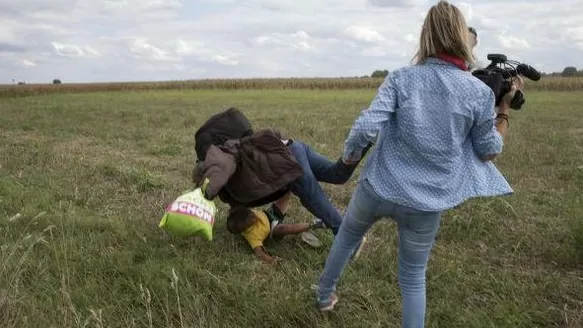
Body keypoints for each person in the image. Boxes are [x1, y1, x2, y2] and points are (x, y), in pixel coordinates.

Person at [313, 1, 523, 327]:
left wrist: (349, 159)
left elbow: (367, 128)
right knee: (412, 278)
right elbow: (489, 151)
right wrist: (504, 110)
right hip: (426, 203)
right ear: (461, 37)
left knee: (347, 238)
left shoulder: (401, 79)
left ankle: (324, 295)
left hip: (377, 187)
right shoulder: (479, 93)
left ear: (426, 35)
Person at [227, 191, 327, 264]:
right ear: (245, 228)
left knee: (285, 194)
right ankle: (315, 224)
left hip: (270, 214)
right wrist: (272, 260)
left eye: (251, 213)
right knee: (287, 229)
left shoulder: (245, 214)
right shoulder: (252, 236)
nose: (254, 217)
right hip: (273, 229)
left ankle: (291, 185)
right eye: (251, 220)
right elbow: (259, 253)